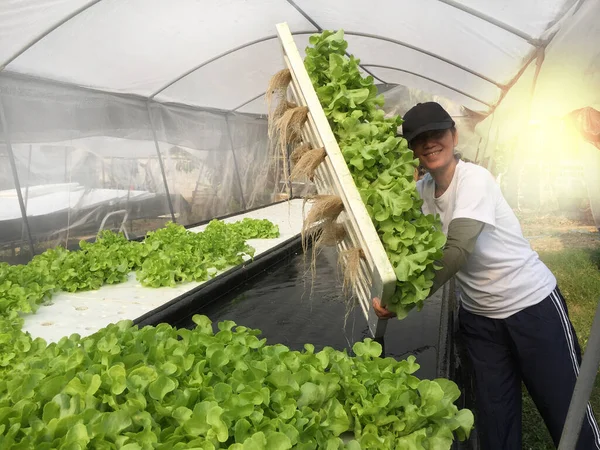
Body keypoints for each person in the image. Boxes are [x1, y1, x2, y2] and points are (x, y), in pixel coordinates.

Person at [372, 102, 600, 450]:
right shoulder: (421, 194)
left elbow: (458, 249)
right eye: (419, 139)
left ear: (453, 135)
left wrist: (404, 297)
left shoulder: (474, 179)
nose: (429, 144)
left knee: (567, 413)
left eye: (436, 134)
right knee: (495, 423)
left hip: (531, 307)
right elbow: (399, 247)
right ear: (412, 149)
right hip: (480, 321)